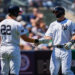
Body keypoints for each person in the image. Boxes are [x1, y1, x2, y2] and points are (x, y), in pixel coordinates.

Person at [0, 5, 39, 75]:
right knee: (14, 72)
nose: (18, 14)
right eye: (18, 12)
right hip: (13, 48)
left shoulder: (1, 23)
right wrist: (35, 41)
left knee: (3, 72)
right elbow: (25, 38)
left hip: (2, 48)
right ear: (15, 13)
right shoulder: (17, 24)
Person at [39, 6, 75, 75]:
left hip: (66, 49)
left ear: (61, 12)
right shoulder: (52, 24)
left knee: (66, 72)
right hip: (55, 49)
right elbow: (48, 37)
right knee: (53, 72)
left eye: (56, 12)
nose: (55, 14)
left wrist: (71, 42)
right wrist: (41, 41)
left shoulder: (70, 23)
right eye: (54, 12)